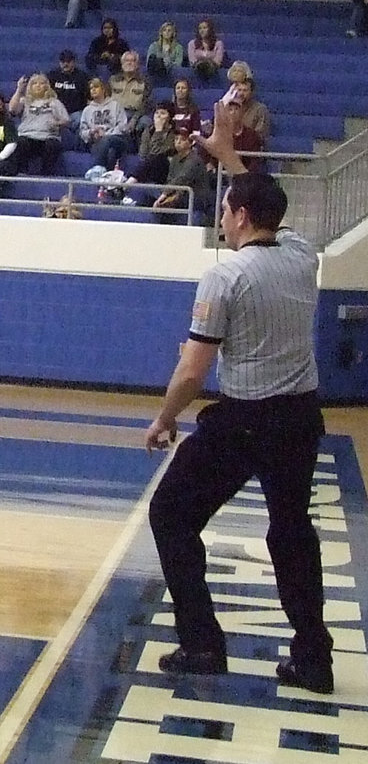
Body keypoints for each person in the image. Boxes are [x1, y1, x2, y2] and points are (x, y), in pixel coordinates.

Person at [144, 99, 332, 693]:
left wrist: (163, 419)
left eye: (226, 208)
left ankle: (202, 643)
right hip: (300, 417)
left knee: (171, 514)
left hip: (245, 419)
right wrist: (229, 155)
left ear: (242, 217)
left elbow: (192, 372)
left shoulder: (225, 275)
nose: (222, 217)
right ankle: (314, 658)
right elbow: (267, 198)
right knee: (291, 532)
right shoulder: (302, 255)